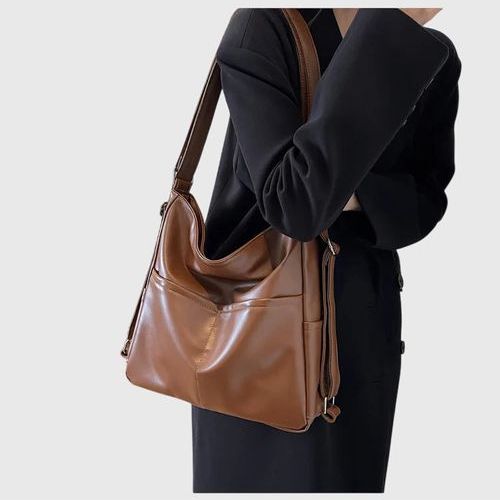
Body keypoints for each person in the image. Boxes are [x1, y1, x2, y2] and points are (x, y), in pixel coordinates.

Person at [191, 8, 461, 493]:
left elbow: (423, 202)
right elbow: (295, 202)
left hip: (360, 341)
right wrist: (387, 25)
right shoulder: (264, 28)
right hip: (255, 343)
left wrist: (344, 193)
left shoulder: (433, 52)